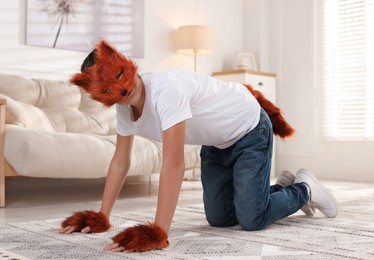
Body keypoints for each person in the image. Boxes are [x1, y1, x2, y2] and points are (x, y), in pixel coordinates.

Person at [59, 40, 338, 253]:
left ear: (123, 62)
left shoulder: (166, 90)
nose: (121, 90)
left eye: (119, 76)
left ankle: (304, 189)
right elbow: (120, 161)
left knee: (252, 219)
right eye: (107, 90)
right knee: (220, 218)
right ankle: (272, 191)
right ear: (97, 95)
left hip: (250, 129)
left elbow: (174, 164)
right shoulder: (123, 111)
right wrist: (101, 217)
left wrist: (159, 232)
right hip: (216, 145)